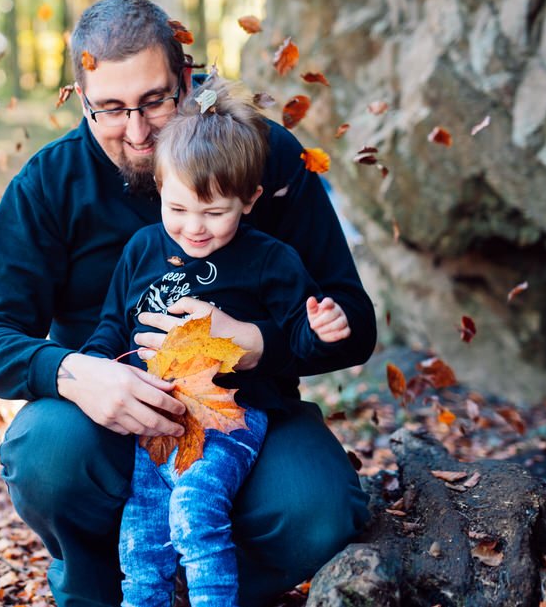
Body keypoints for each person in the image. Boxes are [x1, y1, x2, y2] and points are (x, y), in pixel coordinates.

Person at [0, 0, 376, 606]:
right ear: (80, 97)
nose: (138, 132)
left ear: (186, 77)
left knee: (320, 510)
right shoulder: (51, 183)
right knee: (46, 452)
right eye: (110, 109)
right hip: (105, 421)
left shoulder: (262, 156)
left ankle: (204, 579)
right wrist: (77, 374)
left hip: (247, 415)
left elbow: (353, 319)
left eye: (155, 101)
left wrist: (256, 343)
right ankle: (100, 585)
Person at [81, 75, 355, 607]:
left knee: (196, 506)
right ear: (160, 187)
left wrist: (320, 330)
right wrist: (96, 366)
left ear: (249, 200)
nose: (194, 229)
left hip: (232, 417)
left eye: (214, 213)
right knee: (143, 530)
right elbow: (112, 325)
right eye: (178, 209)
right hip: (156, 420)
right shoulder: (142, 250)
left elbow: (297, 339)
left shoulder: (270, 260)